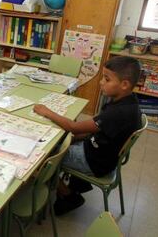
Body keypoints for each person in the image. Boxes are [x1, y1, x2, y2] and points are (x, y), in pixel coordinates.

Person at [33, 56, 142, 215]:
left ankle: (68, 195)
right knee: (61, 140)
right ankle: (75, 185)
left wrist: (46, 111)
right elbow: (95, 130)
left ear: (125, 84)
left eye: (106, 79)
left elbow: (74, 127)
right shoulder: (128, 101)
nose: (101, 82)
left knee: (43, 158)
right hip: (101, 152)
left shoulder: (118, 113)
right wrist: (72, 138)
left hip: (95, 161)